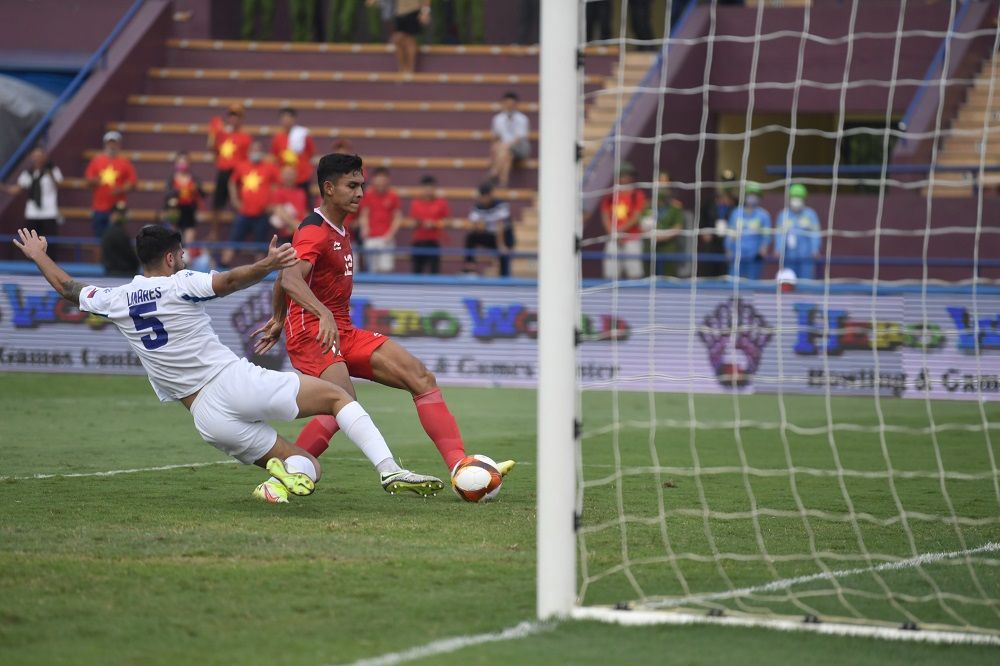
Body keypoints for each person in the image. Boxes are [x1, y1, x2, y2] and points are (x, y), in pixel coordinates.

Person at [12, 224, 413, 505]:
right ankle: (389, 468)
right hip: (231, 382)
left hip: (204, 416)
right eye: (181, 254)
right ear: (170, 257)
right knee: (338, 396)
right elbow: (228, 282)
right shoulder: (179, 283)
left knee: (305, 466)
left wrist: (39, 256)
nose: (184, 260)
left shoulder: (116, 299)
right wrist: (266, 265)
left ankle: (278, 486)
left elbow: (69, 288)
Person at [251, 153, 515, 489]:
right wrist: (316, 314)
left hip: (340, 329)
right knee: (342, 403)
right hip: (313, 333)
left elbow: (283, 278)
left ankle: (461, 468)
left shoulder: (338, 229)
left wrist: (276, 317)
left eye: (361, 184)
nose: (360, 192)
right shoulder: (314, 231)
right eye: (352, 185)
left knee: (420, 377)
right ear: (329, 188)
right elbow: (289, 279)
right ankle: (304, 476)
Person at [222, 143, 279, 267]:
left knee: (260, 247)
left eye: (258, 150)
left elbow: (277, 186)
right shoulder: (241, 166)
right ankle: (222, 267)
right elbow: (232, 182)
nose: (256, 152)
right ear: (249, 152)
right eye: (253, 150)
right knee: (233, 242)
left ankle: (259, 272)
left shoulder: (269, 167)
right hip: (244, 213)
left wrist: (272, 203)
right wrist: (234, 199)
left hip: (262, 213)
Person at [4, 145, 63, 248]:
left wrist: (50, 173)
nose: (37, 158)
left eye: (39, 156)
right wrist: (2, 187)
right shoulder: (28, 173)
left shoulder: (52, 170)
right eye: (35, 156)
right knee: (31, 244)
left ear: (44, 156)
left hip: (49, 212)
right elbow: (17, 189)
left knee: (50, 244)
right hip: (32, 212)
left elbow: (59, 184)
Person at [207, 105, 252, 240]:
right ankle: (214, 233)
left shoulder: (245, 137)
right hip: (223, 171)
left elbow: (246, 158)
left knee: (239, 203)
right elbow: (212, 148)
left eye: (237, 116)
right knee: (217, 204)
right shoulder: (221, 133)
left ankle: (239, 234)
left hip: (237, 173)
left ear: (241, 119)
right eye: (231, 115)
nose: (233, 118)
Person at [84, 131, 137, 240]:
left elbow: (133, 182)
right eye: (110, 143)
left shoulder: (124, 162)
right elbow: (88, 180)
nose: (112, 146)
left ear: (119, 145)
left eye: (114, 143)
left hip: (118, 208)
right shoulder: (96, 161)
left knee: (117, 239)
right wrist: (95, 181)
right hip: (99, 207)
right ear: (105, 144)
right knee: (98, 240)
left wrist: (121, 189)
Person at [600, 163, 646, 280]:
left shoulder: (637, 195)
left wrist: (619, 231)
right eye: (623, 175)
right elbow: (605, 214)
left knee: (634, 272)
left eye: (629, 175)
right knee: (611, 271)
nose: (626, 178)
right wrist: (612, 232)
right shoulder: (611, 194)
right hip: (613, 238)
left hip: (632, 238)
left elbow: (636, 217)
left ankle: (635, 297)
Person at [463, 181, 514, 277]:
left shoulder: (501, 205)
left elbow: (500, 226)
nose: (484, 199)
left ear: (491, 195)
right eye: (482, 196)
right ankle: (470, 267)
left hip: (504, 236)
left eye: (486, 196)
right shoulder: (477, 207)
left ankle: (504, 276)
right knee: (470, 237)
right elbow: (472, 225)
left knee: (503, 254)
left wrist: (501, 245)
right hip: (490, 235)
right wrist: (477, 227)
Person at [724, 181, 771, 280]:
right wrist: (728, 248)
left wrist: (764, 247)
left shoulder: (763, 215)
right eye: (750, 195)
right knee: (733, 281)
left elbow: (767, 235)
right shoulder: (736, 213)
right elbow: (730, 232)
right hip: (736, 253)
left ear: (759, 198)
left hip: (754, 255)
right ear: (745, 196)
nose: (752, 197)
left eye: (755, 195)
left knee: (752, 281)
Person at [359, 166, 402, 273]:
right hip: (371, 238)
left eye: (383, 179)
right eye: (378, 179)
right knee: (371, 270)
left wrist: (390, 235)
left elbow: (397, 217)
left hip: (386, 238)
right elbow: (364, 214)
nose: (381, 182)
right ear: (374, 179)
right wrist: (365, 229)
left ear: (388, 180)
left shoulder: (393, 196)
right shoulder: (368, 195)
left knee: (386, 270)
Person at [774, 183, 821, 281]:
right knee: (788, 283)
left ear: (804, 199)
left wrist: (815, 248)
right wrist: (778, 249)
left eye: (799, 198)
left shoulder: (811, 214)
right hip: (788, 256)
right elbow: (779, 234)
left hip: (806, 256)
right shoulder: (783, 215)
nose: (796, 201)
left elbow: (815, 233)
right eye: (794, 198)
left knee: (806, 283)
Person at [270, 107, 316, 203]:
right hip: (285, 180)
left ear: (294, 119)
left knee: (305, 205)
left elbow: (311, 153)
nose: (286, 121)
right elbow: (275, 157)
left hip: (302, 177)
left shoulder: (303, 135)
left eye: (289, 118)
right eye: (284, 118)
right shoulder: (277, 138)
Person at [646, 171, 687, 277]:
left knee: (669, 281)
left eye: (665, 181)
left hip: (669, 248)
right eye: (660, 181)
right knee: (648, 281)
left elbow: (678, 227)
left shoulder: (675, 206)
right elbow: (642, 223)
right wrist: (652, 234)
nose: (662, 184)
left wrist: (662, 237)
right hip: (649, 248)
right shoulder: (648, 204)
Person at [408, 174, 450, 274]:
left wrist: (434, 224)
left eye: (431, 187)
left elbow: (447, 222)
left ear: (434, 188)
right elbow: (412, 222)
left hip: (433, 241)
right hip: (418, 241)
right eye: (426, 187)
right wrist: (420, 223)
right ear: (422, 188)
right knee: (416, 274)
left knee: (434, 274)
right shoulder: (415, 203)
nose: (428, 190)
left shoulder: (441, 203)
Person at [488, 92, 531, 188]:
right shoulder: (498, 119)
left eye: (511, 104)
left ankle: (495, 171)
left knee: (505, 149)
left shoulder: (522, 119)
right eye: (507, 104)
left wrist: (505, 145)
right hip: (505, 150)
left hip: (520, 147)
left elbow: (519, 139)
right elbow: (496, 137)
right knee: (507, 155)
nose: (509, 107)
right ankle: (503, 181)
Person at [162, 151, 205, 245]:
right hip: (175, 211)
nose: (182, 164)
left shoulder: (194, 179)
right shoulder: (171, 179)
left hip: (189, 212)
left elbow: (202, 194)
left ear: (189, 163)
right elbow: (166, 196)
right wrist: (176, 193)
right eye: (180, 162)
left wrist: (197, 189)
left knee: (189, 243)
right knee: (174, 241)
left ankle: (187, 257)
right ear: (176, 163)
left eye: (185, 162)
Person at [270, 165, 309, 245]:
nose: (289, 177)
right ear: (282, 176)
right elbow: (279, 211)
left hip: (302, 231)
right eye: (287, 174)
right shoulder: (278, 192)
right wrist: (296, 225)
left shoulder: (301, 192)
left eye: (291, 174)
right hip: (286, 233)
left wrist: (306, 225)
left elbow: (305, 211)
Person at [392, 0, 431, 74]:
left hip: (413, 11)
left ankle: (410, 69)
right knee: (399, 41)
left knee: (406, 40)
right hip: (399, 12)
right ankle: (402, 68)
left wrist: (425, 12)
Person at [101, 203, 139, 277]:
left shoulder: (110, 231)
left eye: (122, 214)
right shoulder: (118, 232)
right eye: (117, 214)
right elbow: (128, 254)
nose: (120, 216)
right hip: (122, 273)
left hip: (113, 272)